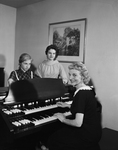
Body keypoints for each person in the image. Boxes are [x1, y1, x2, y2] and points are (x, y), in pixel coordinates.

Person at [47, 61, 102, 150]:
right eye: (70, 74)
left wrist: (63, 119)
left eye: (75, 75)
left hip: (86, 136)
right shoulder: (89, 90)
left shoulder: (80, 94)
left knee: (54, 138)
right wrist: (68, 106)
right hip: (95, 133)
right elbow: (87, 107)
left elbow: (77, 123)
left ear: (83, 77)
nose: (71, 78)